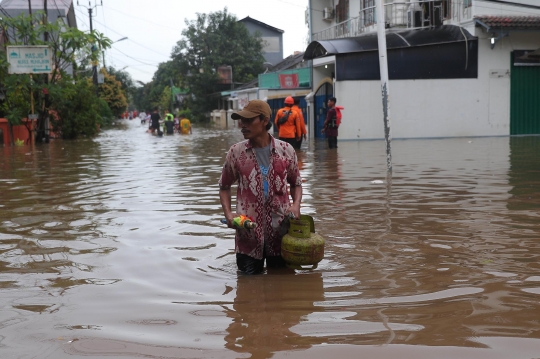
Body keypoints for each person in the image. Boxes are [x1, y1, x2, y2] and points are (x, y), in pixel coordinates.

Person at [219, 99, 302, 275]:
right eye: (242, 120)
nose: (243, 125)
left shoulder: (286, 151)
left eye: (249, 120)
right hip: (247, 238)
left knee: (283, 288)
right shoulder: (236, 152)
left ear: (264, 120)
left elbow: (296, 183)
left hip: (281, 237)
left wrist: (295, 206)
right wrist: (228, 214)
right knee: (248, 293)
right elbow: (224, 186)